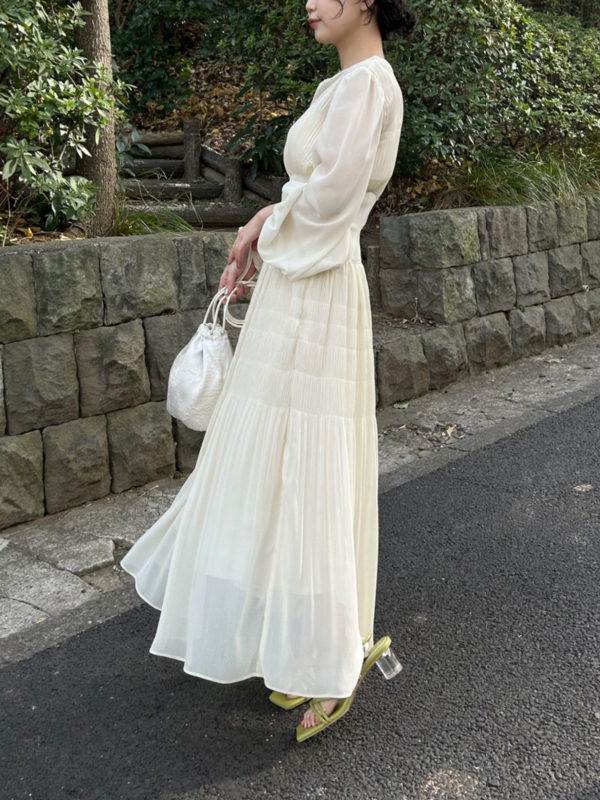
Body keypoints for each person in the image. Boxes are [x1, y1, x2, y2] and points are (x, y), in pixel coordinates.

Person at [120, 0, 416, 742]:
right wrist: (261, 227)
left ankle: (331, 658)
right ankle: (299, 644)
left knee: (307, 463)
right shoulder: (342, 83)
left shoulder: (367, 82)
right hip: (302, 286)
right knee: (287, 461)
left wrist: (266, 225)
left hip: (318, 290)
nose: (309, 3)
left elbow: (333, 200)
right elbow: (312, 197)